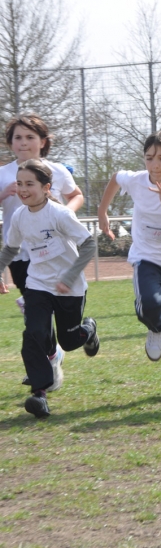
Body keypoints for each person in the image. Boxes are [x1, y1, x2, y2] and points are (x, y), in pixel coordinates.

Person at [98, 131, 161, 395]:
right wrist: (102, 211)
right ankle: (155, 327)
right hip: (147, 257)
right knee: (152, 304)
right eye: (149, 158)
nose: (155, 165)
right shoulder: (136, 180)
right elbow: (115, 178)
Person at [0, 159, 99, 418]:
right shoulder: (20, 216)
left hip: (70, 288)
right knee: (34, 334)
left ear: (46, 187)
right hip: (38, 285)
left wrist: (69, 276)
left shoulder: (59, 214)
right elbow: (11, 248)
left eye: (29, 184)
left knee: (68, 340)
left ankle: (88, 330)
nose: (22, 189)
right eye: (19, 183)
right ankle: (39, 394)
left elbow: (89, 245)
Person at [0, 113, 84, 390]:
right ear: (10, 143)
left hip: (58, 256)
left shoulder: (56, 171)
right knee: (36, 317)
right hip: (23, 257)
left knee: (54, 317)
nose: (24, 143)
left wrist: (62, 214)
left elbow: (77, 195)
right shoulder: (3, 174)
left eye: (30, 137)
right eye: (18, 138)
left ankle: (58, 351)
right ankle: (48, 362)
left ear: (43, 142)